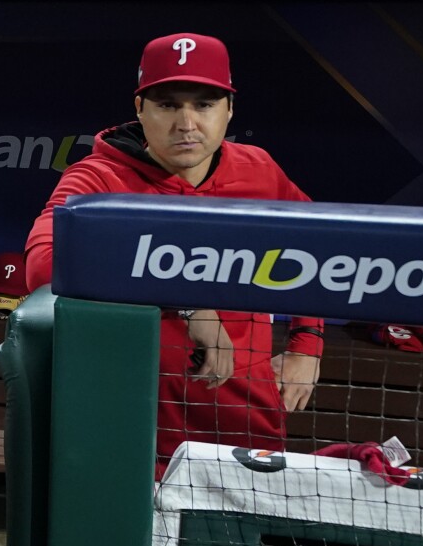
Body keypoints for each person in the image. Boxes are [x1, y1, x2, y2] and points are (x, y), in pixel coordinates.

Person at [24, 32, 324, 475]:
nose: (186, 123)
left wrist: (308, 345)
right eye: (167, 105)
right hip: (130, 420)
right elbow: (42, 266)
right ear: (140, 109)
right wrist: (187, 302)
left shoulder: (259, 170)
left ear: (229, 111)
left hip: (244, 420)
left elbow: (323, 247)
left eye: (203, 105)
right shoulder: (99, 179)